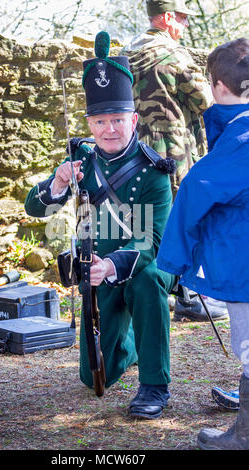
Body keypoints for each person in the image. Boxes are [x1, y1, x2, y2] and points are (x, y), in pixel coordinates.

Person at [25, 31, 176, 420]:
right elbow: (33, 210)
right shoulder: (81, 163)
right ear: (90, 122)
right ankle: (123, 340)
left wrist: (111, 266)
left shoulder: (153, 172)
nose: (109, 129)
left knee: (149, 281)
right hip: (96, 270)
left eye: (117, 120)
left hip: (141, 264)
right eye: (100, 120)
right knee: (92, 376)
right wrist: (58, 183)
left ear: (134, 119)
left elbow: (152, 241)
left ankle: (154, 384)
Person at [156, 38, 249, 450]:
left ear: (220, 87)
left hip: (244, 264)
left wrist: (173, 260)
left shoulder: (239, 140)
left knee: (248, 343)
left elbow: (194, 190)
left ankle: (244, 436)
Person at [123, 0, 228, 323]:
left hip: (134, 156)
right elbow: (207, 101)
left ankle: (143, 288)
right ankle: (188, 295)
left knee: (142, 220)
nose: (184, 26)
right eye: (182, 19)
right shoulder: (174, 54)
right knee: (183, 219)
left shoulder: (125, 54)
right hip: (174, 154)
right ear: (167, 18)